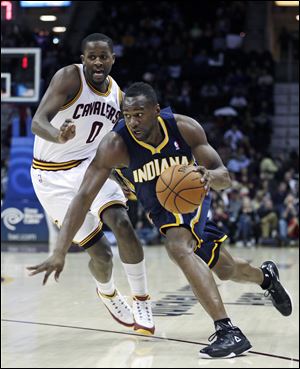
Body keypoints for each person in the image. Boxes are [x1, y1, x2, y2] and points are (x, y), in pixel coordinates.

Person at [29, 82, 292, 359]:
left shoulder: (184, 128)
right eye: (127, 114)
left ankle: (228, 331)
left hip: (193, 198)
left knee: (177, 246)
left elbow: (223, 175)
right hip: (161, 212)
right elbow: (82, 197)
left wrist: (209, 177)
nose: (133, 121)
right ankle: (266, 278)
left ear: (156, 110)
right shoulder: (115, 145)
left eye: (139, 114)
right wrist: (59, 251)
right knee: (226, 269)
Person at [27, 35, 154, 335]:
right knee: (102, 255)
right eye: (92, 56)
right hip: (51, 176)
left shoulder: (118, 96)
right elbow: (37, 121)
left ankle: (142, 300)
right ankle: (107, 292)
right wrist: (57, 134)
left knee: (122, 223)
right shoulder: (69, 78)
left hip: (88, 169)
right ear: (83, 58)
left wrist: (132, 182)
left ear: (113, 59)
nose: (98, 62)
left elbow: (126, 144)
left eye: (103, 56)